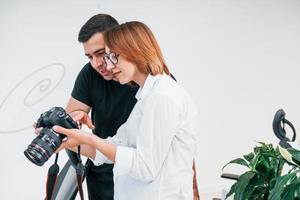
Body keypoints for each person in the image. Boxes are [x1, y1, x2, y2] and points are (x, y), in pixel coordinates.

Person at [54, 21, 199, 200]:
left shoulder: (163, 96)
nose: (107, 66)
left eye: (113, 57)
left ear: (135, 51)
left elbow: (146, 168)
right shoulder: (146, 96)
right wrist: (67, 140)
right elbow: (115, 146)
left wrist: (89, 137)